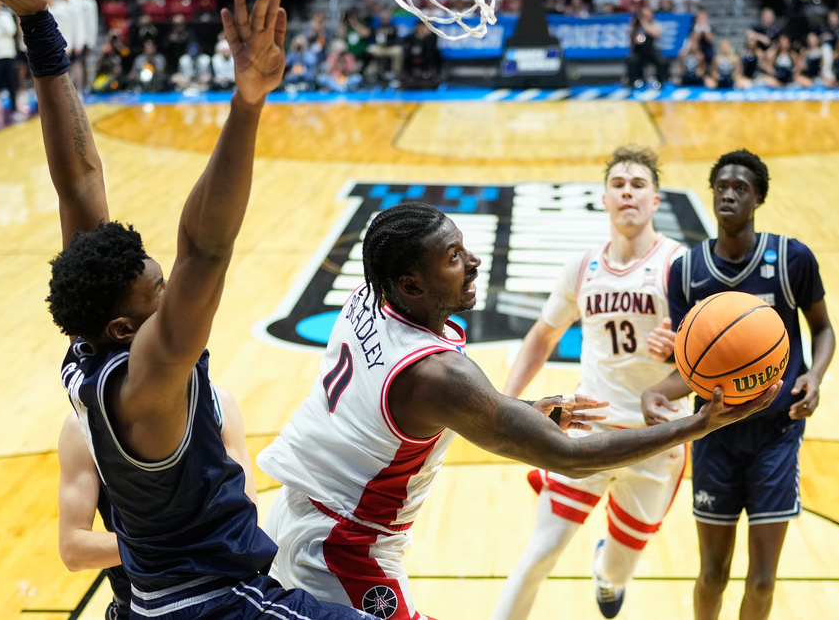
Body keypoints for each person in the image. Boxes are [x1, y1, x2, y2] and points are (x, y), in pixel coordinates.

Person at [0, 0, 376, 620]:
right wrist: (247, 102)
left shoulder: (88, 350)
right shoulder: (148, 381)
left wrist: (40, 30)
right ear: (124, 327)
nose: (172, 298)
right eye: (158, 294)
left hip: (156, 598)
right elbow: (207, 246)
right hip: (217, 602)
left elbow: (79, 177)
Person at [256, 200, 780, 618]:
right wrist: (701, 422)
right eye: (453, 256)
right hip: (343, 546)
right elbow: (568, 458)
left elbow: (424, 404)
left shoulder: (371, 296)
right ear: (412, 284)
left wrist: (519, 407)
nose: (474, 261)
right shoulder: (438, 375)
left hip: (298, 510)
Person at [490, 147, 691, 620]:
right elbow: (541, 336)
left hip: (655, 438)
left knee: (620, 570)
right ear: (603, 198)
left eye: (638, 184)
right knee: (539, 553)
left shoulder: (680, 267)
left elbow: (709, 360)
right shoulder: (582, 267)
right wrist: (504, 403)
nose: (627, 191)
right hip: (588, 433)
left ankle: (607, 573)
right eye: (618, 183)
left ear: (656, 200)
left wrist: (681, 348)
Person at [641, 149, 836, 620]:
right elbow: (696, 367)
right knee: (713, 572)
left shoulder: (792, 259)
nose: (728, 194)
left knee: (763, 576)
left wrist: (814, 375)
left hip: (777, 433)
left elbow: (823, 329)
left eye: (740, 188)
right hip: (713, 435)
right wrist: (656, 391)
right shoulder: (685, 271)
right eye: (721, 187)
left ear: (759, 197)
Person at [57, 385, 258, 620]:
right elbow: (73, 550)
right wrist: (170, 546)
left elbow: (248, 522)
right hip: (141, 606)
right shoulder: (82, 427)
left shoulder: (217, 403)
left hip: (227, 597)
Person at [626, 6, 667, 88]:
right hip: (640, 51)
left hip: (652, 50)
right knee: (631, 60)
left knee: (662, 61)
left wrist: (644, 23)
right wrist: (634, 26)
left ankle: (660, 81)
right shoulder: (636, 26)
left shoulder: (656, 24)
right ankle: (635, 81)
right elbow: (631, 39)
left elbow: (655, 33)